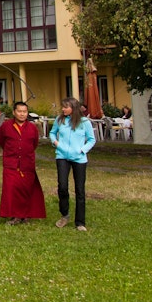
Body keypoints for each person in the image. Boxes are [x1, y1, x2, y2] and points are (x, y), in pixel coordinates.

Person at [50, 96, 96, 232]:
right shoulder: (60, 120)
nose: (63, 109)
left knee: (80, 190)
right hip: (62, 156)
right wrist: (56, 143)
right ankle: (64, 214)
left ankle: (80, 222)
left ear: (73, 108)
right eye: (63, 106)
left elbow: (92, 140)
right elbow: (52, 133)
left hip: (79, 159)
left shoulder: (84, 122)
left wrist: (82, 150)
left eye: (66, 107)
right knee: (62, 186)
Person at [0, 100, 46, 224]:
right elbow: (1, 141)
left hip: (27, 163)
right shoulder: (6, 126)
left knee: (26, 189)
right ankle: (15, 216)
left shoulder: (32, 128)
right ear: (14, 112)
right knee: (11, 189)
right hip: (11, 162)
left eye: (24, 112)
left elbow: (34, 144)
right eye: (19, 111)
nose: (22, 114)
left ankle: (26, 215)